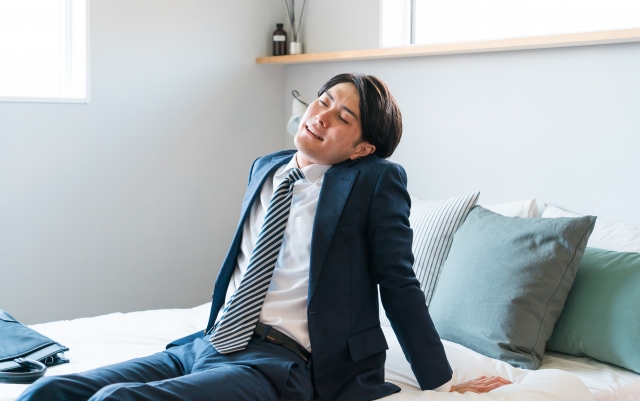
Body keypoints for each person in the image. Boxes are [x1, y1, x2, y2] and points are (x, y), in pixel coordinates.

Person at [18, 73, 510, 401]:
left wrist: (441, 382)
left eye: (344, 117)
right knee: (48, 392)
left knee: (117, 400)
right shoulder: (266, 168)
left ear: (363, 148)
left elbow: (399, 283)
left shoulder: (375, 181)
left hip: (282, 363)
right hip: (211, 342)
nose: (322, 114)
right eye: (324, 100)